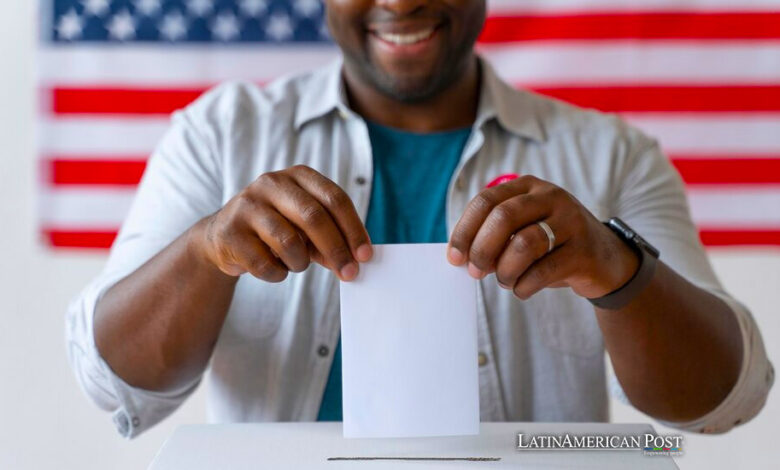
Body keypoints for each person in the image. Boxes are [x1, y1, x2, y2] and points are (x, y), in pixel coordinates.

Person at [67, 0, 772, 438]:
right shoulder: (219, 137)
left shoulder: (610, 155)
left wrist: (616, 269)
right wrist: (204, 252)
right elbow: (112, 381)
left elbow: (723, 401)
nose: (401, 2)